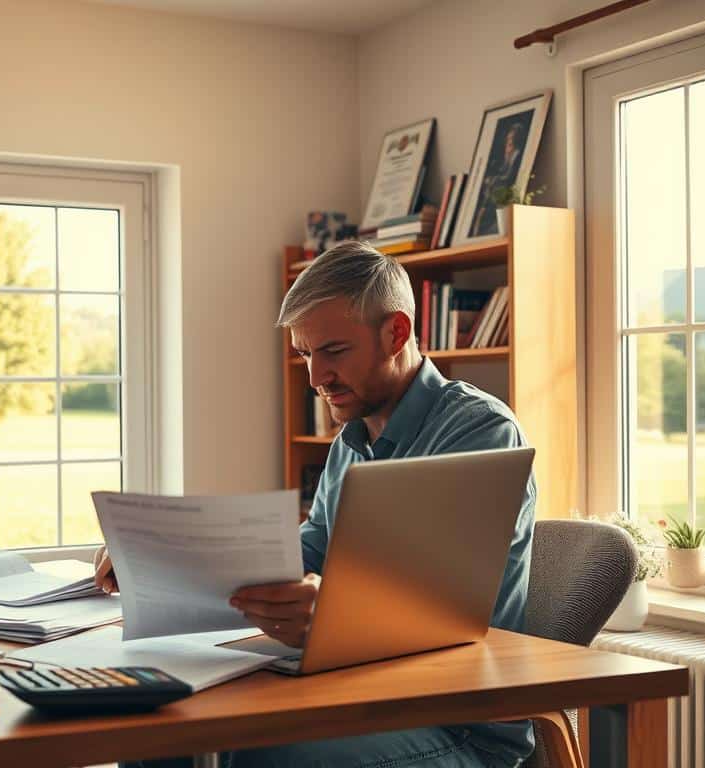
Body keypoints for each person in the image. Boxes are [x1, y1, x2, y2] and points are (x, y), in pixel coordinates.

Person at [95, 241, 537, 767]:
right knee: (158, 728)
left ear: (396, 333)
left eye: (333, 351)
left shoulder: (479, 431)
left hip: (454, 720)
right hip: (355, 690)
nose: (314, 378)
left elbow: (443, 610)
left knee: (259, 754)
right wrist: (156, 552)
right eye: (305, 354)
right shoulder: (352, 439)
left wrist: (331, 616)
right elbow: (312, 551)